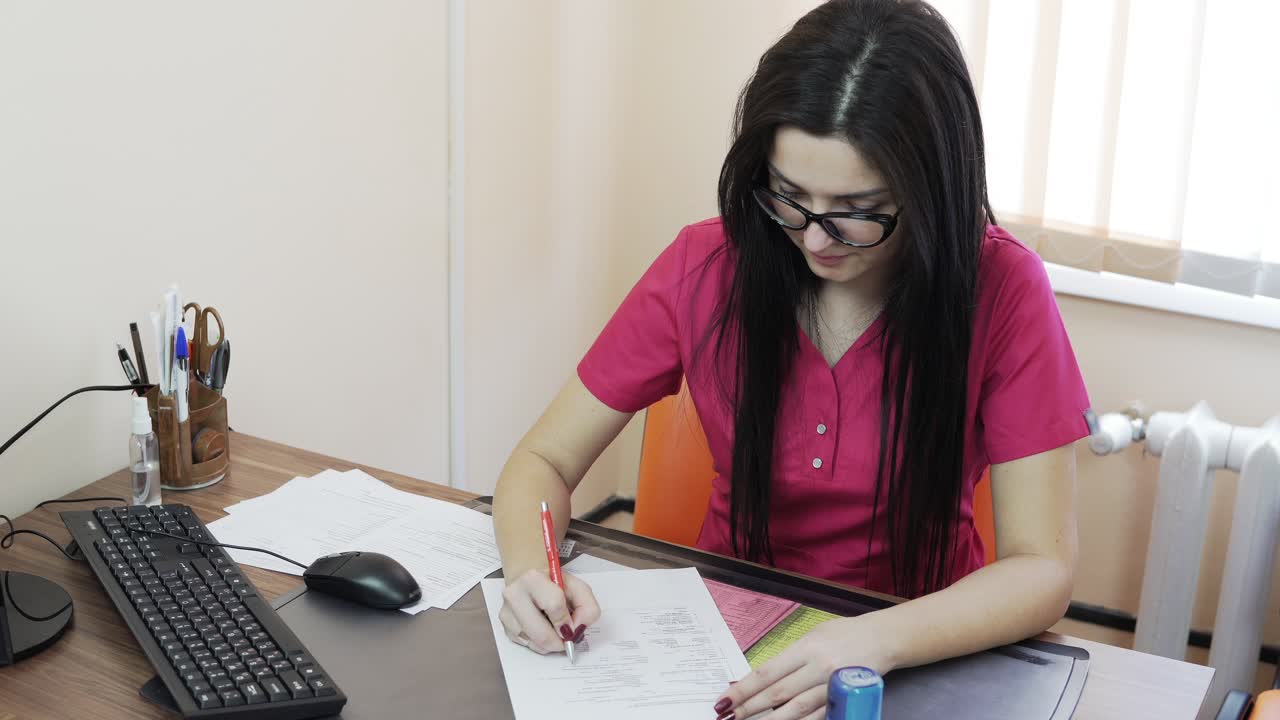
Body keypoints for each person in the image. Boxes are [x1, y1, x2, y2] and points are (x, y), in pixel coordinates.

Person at [492, 0, 1091, 717]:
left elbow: (1042, 566)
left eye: (856, 207)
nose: (814, 238)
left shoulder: (1002, 288)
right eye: (789, 197)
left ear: (932, 189)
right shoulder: (706, 265)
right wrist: (532, 571)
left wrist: (874, 641)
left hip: (911, 652)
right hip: (720, 650)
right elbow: (543, 463)